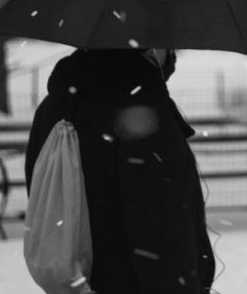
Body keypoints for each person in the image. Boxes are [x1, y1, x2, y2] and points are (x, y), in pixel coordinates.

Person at [25, 48, 215, 294]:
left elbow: (42, 197)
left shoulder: (51, 109)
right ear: (150, 47)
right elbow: (164, 241)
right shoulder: (145, 117)